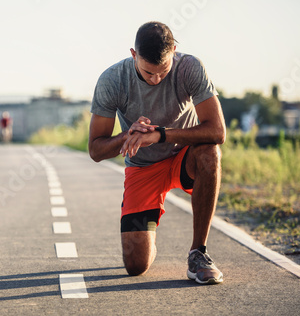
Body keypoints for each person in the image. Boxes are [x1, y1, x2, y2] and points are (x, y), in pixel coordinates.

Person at [89, 21, 226, 284]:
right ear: (133, 55)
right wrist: (127, 136)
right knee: (136, 265)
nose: (155, 79)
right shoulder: (112, 80)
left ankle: (199, 252)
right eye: (147, 72)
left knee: (210, 153)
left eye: (162, 71)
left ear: (174, 51)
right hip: (142, 167)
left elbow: (217, 132)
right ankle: (147, 231)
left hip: (183, 158)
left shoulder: (190, 68)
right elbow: (96, 149)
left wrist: (161, 134)